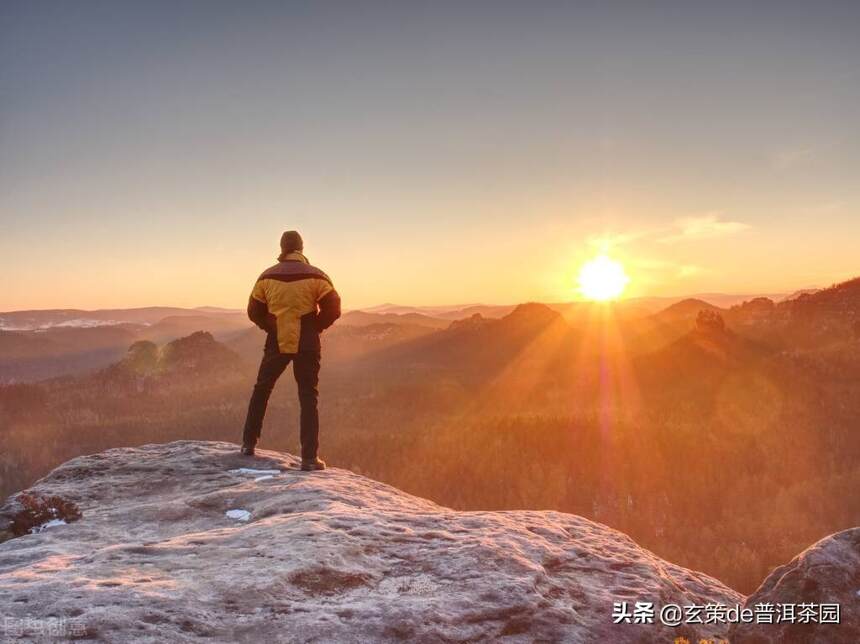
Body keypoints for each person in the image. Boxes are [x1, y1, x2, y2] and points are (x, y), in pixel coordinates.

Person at [240, 230, 341, 470]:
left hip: (277, 339)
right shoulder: (317, 276)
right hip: (307, 340)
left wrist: (271, 326)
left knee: (262, 388)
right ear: (301, 248)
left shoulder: (266, 277)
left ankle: (248, 444)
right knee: (308, 396)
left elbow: (254, 311)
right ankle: (308, 458)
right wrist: (315, 327)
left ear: (282, 248)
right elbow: (333, 307)